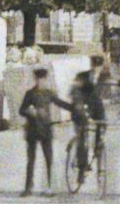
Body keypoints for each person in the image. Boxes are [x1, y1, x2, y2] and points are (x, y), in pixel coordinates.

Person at [19, 65, 68, 195]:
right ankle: (28, 188)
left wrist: (74, 109)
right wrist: (31, 112)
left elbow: (60, 103)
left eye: (43, 79)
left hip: (46, 129)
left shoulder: (49, 93)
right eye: (39, 79)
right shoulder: (30, 93)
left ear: (46, 79)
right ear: (36, 79)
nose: (42, 81)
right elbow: (21, 110)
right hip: (32, 130)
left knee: (49, 159)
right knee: (31, 160)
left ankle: (49, 187)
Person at [69, 69, 107, 178]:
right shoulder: (76, 91)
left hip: (95, 113)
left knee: (99, 137)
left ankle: (97, 150)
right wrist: (85, 117)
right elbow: (78, 107)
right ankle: (81, 169)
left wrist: (102, 122)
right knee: (82, 141)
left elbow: (99, 109)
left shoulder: (93, 92)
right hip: (80, 118)